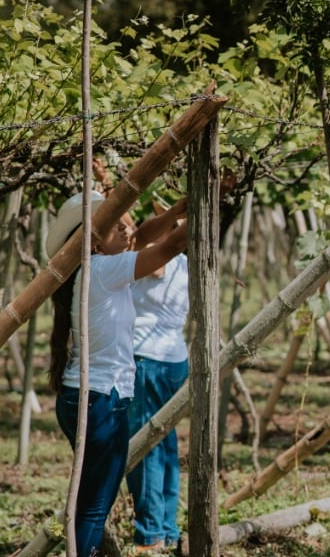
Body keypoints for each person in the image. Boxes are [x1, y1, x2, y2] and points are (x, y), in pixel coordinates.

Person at [47, 191, 188, 556]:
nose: (129, 232)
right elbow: (167, 246)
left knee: (90, 504)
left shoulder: (91, 267)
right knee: (94, 509)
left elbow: (142, 237)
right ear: (92, 238)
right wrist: (200, 210)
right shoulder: (105, 270)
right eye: (118, 226)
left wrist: (174, 210)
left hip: (86, 397)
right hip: (101, 402)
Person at [126, 197, 192, 551]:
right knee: (165, 443)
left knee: (145, 445)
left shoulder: (152, 262)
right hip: (175, 360)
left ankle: (150, 532)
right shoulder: (183, 263)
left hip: (145, 359)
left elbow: (139, 243)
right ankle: (165, 526)